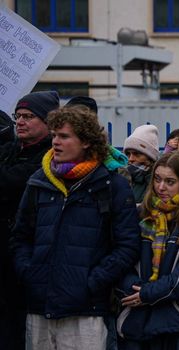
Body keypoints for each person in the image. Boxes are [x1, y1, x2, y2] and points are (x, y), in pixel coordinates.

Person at [10, 106, 140, 350]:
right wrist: (30, 274)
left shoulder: (112, 186)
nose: (55, 142)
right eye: (54, 135)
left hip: (86, 311)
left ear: (87, 142)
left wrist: (90, 282)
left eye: (64, 136)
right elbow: (20, 238)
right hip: (40, 306)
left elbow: (127, 246)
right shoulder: (39, 181)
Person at [116, 152, 179, 349]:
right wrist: (133, 288)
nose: (161, 187)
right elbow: (122, 258)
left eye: (170, 182)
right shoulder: (140, 214)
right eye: (158, 179)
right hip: (139, 322)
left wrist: (147, 294)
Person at [0, 91, 58, 350]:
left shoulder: (49, 157)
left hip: (27, 258)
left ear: (48, 122)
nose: (20, 122)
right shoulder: (11, 149)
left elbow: (10, 182)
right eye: (18, 116)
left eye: (28, 116)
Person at [124, 125, 161, 203]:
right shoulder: (123, 177)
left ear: (150, 157)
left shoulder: (159, 181)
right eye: (128, 154)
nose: (130, 159)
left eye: (137, 154)